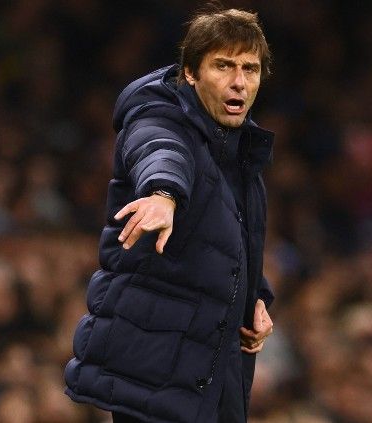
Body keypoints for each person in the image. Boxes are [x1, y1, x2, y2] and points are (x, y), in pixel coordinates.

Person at [64, 7, 275, 423]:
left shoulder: (241, 158)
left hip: (210, 379)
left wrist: (256, 299)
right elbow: (160, 151)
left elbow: (227, 245)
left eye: (250, 70)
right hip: (154, 378)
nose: (238, 82)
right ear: (191, 74)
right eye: (223, 66)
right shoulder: (159, 116)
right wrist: (163, 194)